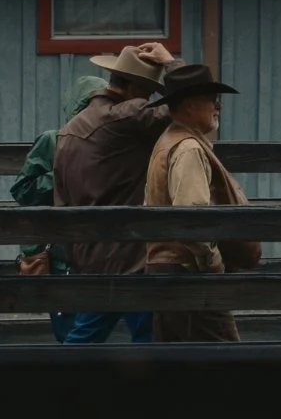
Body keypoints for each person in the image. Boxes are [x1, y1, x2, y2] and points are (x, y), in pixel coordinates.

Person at [52, 42, 185, 343]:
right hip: (128, 254)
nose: (150, 98)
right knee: (148, 334)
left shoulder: (71, 128)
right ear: (131, 87)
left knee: (89, 332)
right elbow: (189, 105)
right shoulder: (127, 114)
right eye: (148, 91)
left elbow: (61, 194)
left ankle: (59, 383)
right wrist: (170, 63)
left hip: (89, 252)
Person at [142, 63, 262, 342]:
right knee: (224, 360)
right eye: (211, 100)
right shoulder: (188, 148)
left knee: (179, 364)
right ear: (190, 105)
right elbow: (192, 221)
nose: (217, 106)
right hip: (188, 273)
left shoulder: (168, 141)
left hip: (167, 270)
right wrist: (213, 263)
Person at [9, 74, 109, 343]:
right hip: (63, 258)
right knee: (70, 334)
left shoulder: (112, 143)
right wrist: (64, 177)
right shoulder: (53, 141)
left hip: (102, 257)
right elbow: (23, 190)